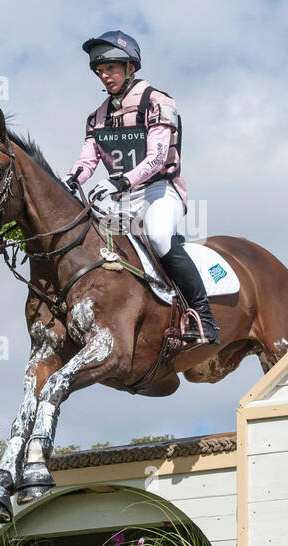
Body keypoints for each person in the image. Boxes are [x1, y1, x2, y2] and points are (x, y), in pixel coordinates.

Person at [65, 31, 219, 345]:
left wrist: (121, 180)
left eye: (110, 68)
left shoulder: (157, 101)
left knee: (159, 236)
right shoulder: (97, 117)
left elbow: (158, 156)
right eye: (100, 70)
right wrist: (72, 179)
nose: (104, 75)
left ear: (130, 68)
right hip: (121, 199)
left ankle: (203, 317)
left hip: (159, 191)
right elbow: (88, 159)